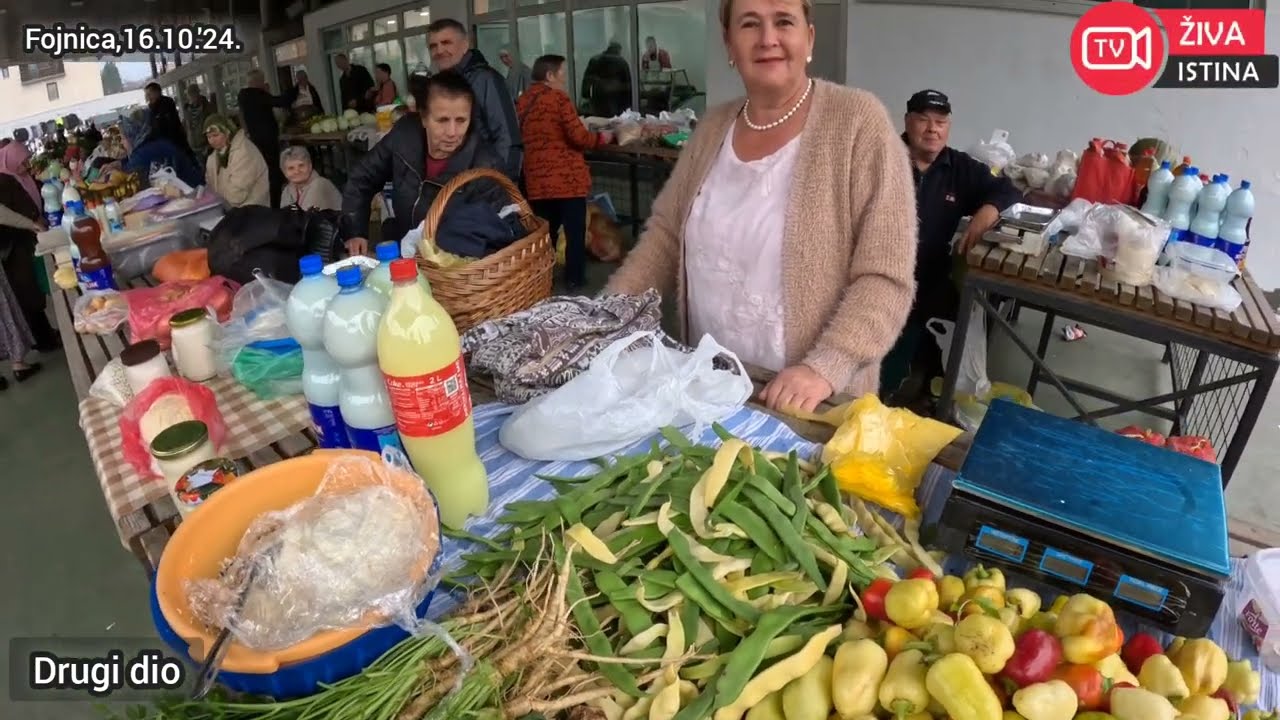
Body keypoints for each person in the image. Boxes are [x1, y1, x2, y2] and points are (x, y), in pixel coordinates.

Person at [604, 0, 917, 413]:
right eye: (750, 24)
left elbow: (885, 276)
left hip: (812, 407)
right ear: (729, 44)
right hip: (707, 392)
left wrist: (825, 367)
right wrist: (605, 319)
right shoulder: (712, 128)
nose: (768, 38)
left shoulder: (859, 122)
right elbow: (664, 238)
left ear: (809, 37)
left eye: (784, 21)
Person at [881, 89, 1021, 407]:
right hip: (880, 274)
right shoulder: (883, 157)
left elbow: (1006, 189)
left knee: (960, 315)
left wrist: (985, 214)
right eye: (924, 120)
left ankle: (929, 389)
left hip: (929, 276)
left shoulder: (959, 168)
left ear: (949, 127)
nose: (933, 129)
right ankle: (884, 386)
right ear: (907, 122)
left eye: (940, 122)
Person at [340, 70, 504, 256]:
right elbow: (363, 177)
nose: (452, 132)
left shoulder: (485, 166)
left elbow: (493, 234)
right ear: (424, 118)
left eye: (461, 120)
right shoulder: (404, 135)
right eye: (442, 120)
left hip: (454, 265)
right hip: (404, 252)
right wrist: (355, 231)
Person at [518, 55, 614, 291]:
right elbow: (579, 137)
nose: (565, 80)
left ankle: (543, 278)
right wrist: (602, 138)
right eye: (562, 74)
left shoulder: (522, 101)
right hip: (566, 180)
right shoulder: (558, 99)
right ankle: (574, 279)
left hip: (537, 181)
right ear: (549, 75)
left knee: (544, 233)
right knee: (574, 231)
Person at [427, 18, 522, 179]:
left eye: (446, 43)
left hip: (484, 182)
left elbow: (507, 137)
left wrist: (500, 184)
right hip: (454, 183)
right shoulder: (440, 85)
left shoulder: (485, 79)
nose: (439, 50)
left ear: (465, 45)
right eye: (433, 46)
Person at [0, 142, 59, 356]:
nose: (26, 165)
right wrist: (31, 222)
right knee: (27, 294)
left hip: (25, 241)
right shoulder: (3, 181)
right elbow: (7, 214)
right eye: (22, 161)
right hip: (12, 247)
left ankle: (45, 334)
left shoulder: (19, 177)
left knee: (34, 289)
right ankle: (42, 339)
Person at [237, 70, 288, 208]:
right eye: (262, 80)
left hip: (254, 139)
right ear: (258, 81)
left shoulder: (243, 95)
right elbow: (279, 102)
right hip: (267, 140)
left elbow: (242, 115)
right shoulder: (258, 94)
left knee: (262, 171)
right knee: (272, 171)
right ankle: (275, 204)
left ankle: (266, 203)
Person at [116, 109, 204, 189]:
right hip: (196, 187)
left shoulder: (142, 153)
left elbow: (126, 179)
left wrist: (116, 170)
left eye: (123, 138)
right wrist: (122, 163)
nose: (122, 143)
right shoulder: (161, 143)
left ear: (132, 135)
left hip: (187, 194)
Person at [203, 114, 271, 209]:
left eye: (215, 135)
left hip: (252, 211)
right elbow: (209, 187)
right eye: (209, 137)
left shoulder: (244, 152)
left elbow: (237, 196)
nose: (212, 141)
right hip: (230, 210)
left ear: (227, 132)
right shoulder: (213, 157)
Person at [279, 146, 342, 211]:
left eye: (301, 165)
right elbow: (284, 214)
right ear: (284, 172)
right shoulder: (288, 189)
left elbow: (309, 215)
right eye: (291, 168)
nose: (297, 171)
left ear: (310, 166)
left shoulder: (319, 184)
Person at [142, 82, 194, 160]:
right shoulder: (151, 109)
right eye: (146, 95)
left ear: (157, 93)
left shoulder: (167, 103)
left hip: (176, 143)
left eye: (149, 94)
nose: (147, 97)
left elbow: (169, 125)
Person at [580, 41, 633, 118]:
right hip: (616, 99)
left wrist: (585, 94)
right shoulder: (622, 62)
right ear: (619, 50)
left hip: (598, 98)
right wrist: (628, 104)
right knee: (614, 122)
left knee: (600, 121)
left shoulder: (595, 60)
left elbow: (587, 81)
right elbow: (628, 84)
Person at [182, 85, 216, 158]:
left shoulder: (207, 108)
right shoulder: (186, 110)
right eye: (189, 95)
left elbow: (214, 126)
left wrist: (210, 145)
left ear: (198, 93)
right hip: (192, 147)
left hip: (205, 147)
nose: (191, 97)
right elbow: (185, 128)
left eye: (193, 93)